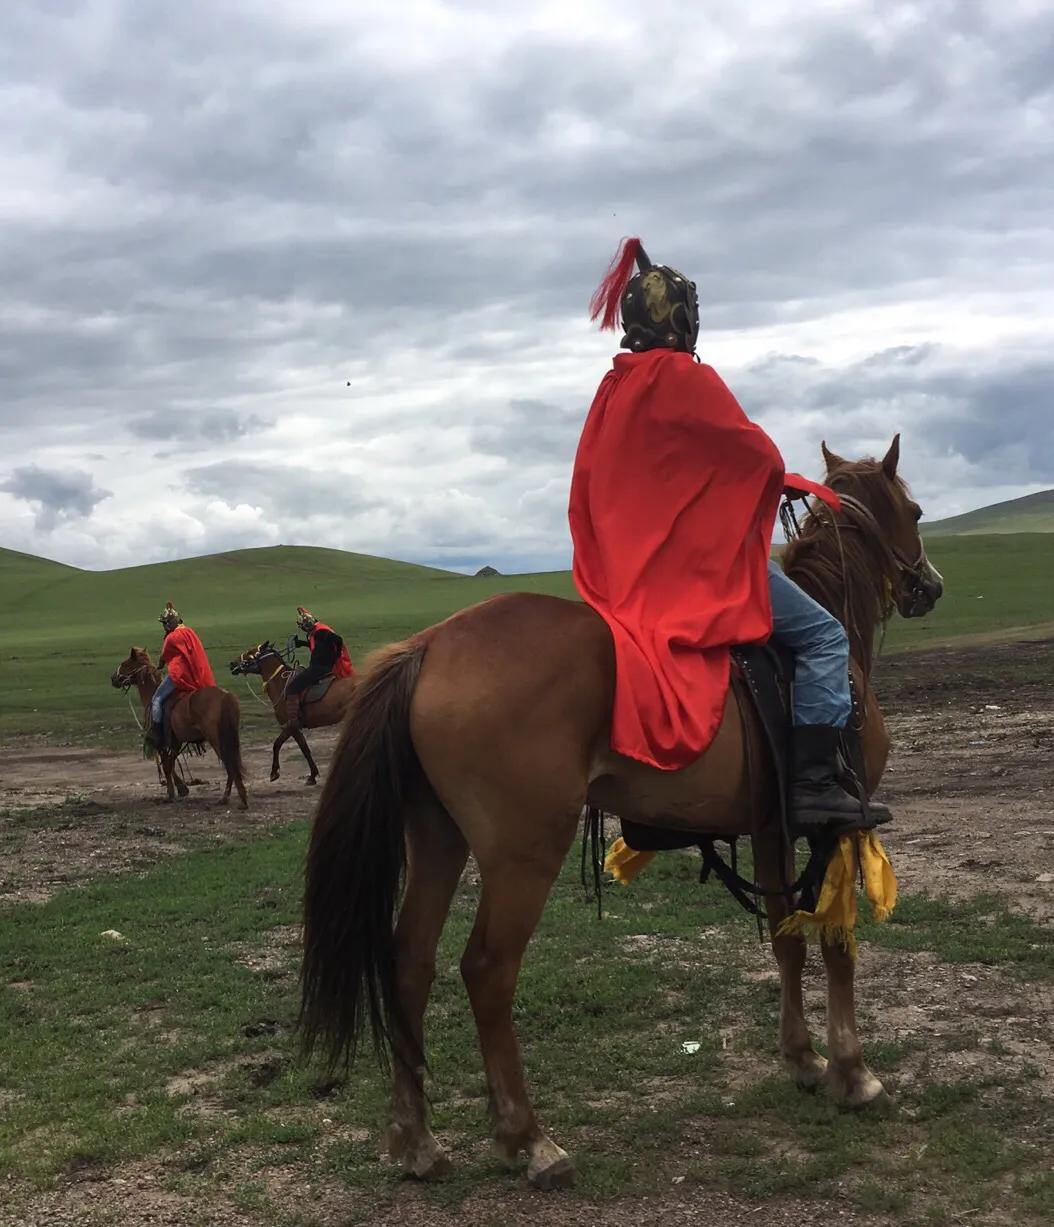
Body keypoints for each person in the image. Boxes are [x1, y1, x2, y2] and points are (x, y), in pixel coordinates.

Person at [569, 237, 887, 835]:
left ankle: (662, 808)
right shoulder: (687, 380)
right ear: (683, 320)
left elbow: (657, 477)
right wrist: (774, 485)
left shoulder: (614, 389)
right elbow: (758, 459)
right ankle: (814, 784)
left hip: (632, 575)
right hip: (697, 570)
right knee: (825, 637)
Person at [146, 603, 216, 752]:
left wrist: (159, 666)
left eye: (164, 624)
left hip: (180, 674)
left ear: (168, 624)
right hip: (195, 673)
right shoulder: (189, 631)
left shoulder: (171, 637)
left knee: (156, 699)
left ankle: (157, 733)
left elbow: (164, 656)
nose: (163, 627)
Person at [284, 607, 354, 727]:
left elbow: (338, 639)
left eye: (304, 626)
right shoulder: (318, 631)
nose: (304, 628)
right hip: (320, 666)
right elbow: (320, 645)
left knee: (292, 688)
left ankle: (293, 721)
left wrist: (337, 654)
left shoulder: (320, 632)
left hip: (319, 668)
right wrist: (301, 643)